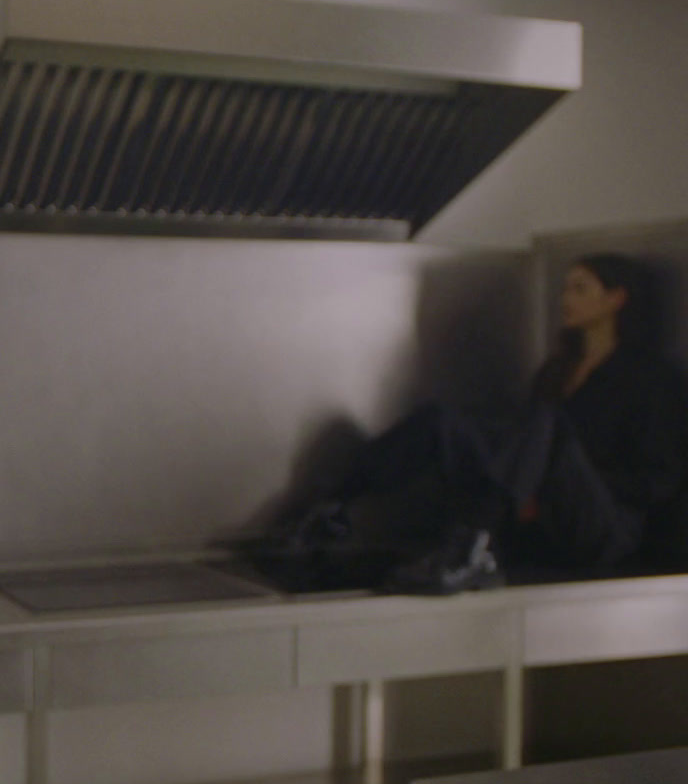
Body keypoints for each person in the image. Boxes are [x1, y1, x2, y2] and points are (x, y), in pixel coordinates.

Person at [275, 253, 688, 594]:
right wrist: (526, 480)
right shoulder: (556, 370)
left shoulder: (651, 378)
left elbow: (660, 481)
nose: (566, 297)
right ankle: (331, 508)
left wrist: (558, 482)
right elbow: (527, 444)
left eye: (580, 288)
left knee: (546, 423)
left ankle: (472, 547)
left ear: (615, 299)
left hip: (604, 529)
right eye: (565, 287)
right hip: (538, 523)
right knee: (442, 421)